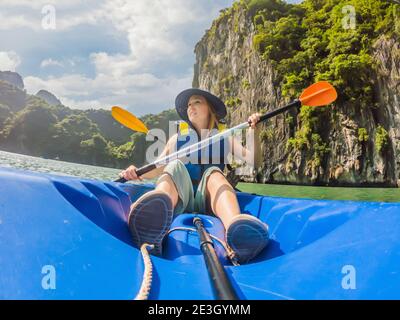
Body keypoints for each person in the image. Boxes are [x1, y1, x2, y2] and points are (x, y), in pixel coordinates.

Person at [120, 88, 269, 264]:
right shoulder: (176, 139)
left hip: (208, 201)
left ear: (210, 109)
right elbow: (156, 169)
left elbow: (254, 161)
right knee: (173, 165)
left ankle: (235, 231)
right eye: (189, 105)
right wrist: (136, 172)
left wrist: (254, 132)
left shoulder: (225, 138)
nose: (190, 107)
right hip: (182, 199)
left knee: (215, 173)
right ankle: (155, 217)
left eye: (197, 102)